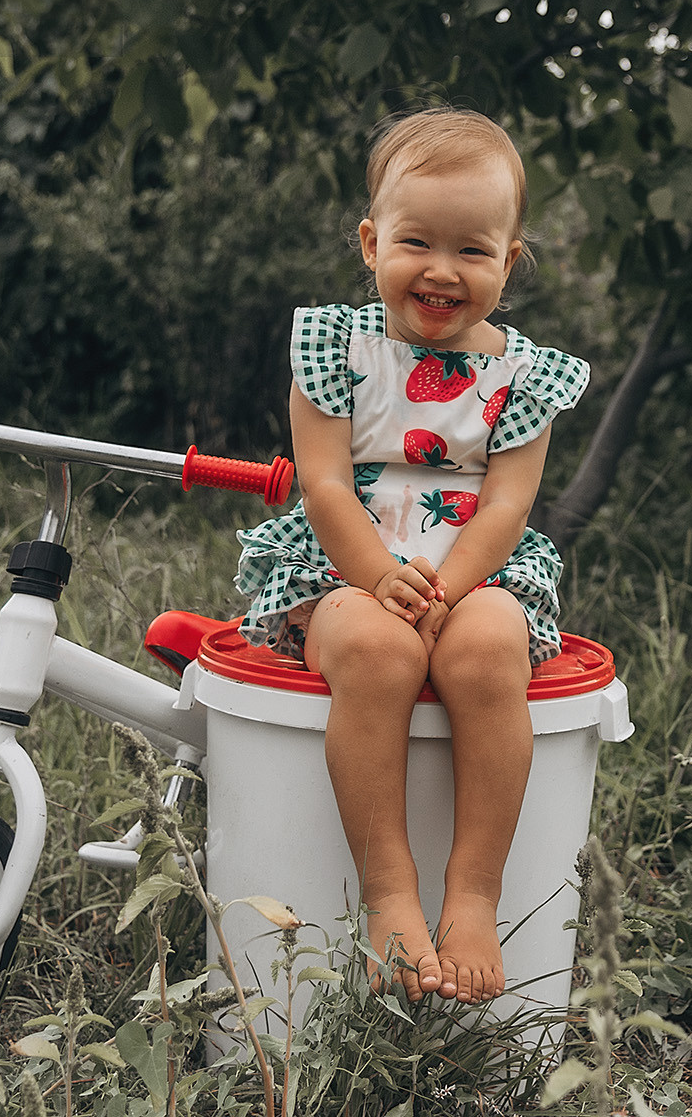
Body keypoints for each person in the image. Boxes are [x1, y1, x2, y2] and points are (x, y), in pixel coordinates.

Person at [233, 108, 589, 1006]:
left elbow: (509, 501)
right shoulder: (332, 349)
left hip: (476, 568)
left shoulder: (525, 375)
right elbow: (322, 486)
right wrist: (377, 576)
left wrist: (449, 585)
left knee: (490, 645)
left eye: (472, 250)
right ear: (370, 242)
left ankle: (472, 890)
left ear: (508, 263)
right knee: (375, 648)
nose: (440, 268)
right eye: (416, 241)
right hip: (344, 563)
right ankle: (389, 889)